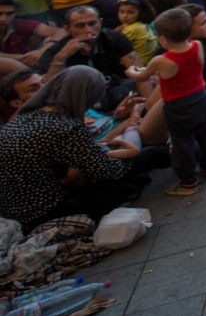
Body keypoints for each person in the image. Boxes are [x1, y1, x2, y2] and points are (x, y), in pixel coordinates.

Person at [0, 65, 142, 228]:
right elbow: (108, 171)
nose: (44, 89)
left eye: (44, 82)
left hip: (19, 213)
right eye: (34, 88)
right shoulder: (60, 125)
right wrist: (131, 138)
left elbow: (89, 152)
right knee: (151, 155)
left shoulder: (26, 119)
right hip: (46, 213)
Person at [125, 9, 206, 196]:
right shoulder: (197, 46)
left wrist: (131, 71)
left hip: (178, 106)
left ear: (163, 40)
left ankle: (188, 182)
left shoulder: (161, 60)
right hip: (201, 97)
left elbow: (142, 76)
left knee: (181, 143)